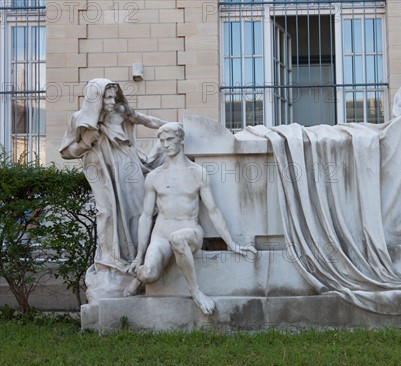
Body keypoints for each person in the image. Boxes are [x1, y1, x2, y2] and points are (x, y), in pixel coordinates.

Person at [124, 122, 257, 314]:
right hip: (161, 235)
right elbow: (145, 217)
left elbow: (213, 211)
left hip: (190, 232)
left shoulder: (198, 173)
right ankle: (140, 276)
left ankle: (195, 292)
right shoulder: (154, 177)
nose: (166, 145)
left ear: (181, 140)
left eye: (170, 139)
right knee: (148, 274)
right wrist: (138, 256)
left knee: (177, 238)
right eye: (162, 141)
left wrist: (231, 243)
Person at [60, 78, 167, 272]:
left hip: (128, 165)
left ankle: (138, 256)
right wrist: (86, 142)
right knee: (106, 212)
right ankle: (109, 257)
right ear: (95, 99)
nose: (111, 101)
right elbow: (66, 152)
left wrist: (171, 127)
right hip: (100, 170)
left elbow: (149, 121)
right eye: (106, 98)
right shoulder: (79, 119)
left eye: (113, 97)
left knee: (139, 208)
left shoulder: (121, 112)